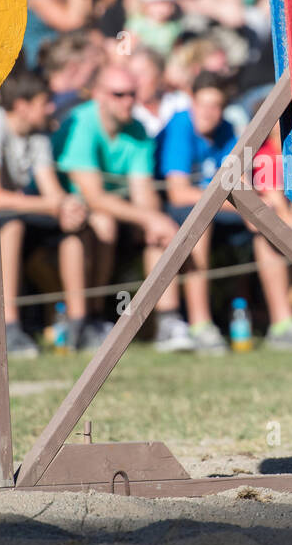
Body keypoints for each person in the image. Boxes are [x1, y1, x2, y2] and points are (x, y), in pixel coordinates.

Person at [158, 70, 292, 352]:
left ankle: (281, 324)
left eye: (216, 106)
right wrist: (241, 205)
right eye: (203, 105)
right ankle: (200, 325)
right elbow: (178, 192)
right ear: (191, 102)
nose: (209, 113)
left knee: (262, 223)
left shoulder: (227, 130)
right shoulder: (179, 125)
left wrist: (254, 210)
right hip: (182, 213)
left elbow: (241, 183)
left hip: (221, 209)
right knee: (201, 221)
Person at [0, 70, 94, 355]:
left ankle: (78, 324)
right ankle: (8, 327)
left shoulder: (37, 134)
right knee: (10, 225)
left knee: (73, 226)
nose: (51, 109)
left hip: (9, 209)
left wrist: (69, 206)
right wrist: (54, 205)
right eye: (44, 102)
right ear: (23, 105)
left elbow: (52, 191)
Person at [54, 63, 191, 351]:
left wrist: (152, 220)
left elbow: (143, 192)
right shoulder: (80, 123)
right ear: (98, 95)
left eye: (132, 94)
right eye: (119, 94)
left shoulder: (138, 130)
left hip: (114, 211)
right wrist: (149, 218)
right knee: (106, 222)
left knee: (159, 231)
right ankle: (85, 320)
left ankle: (168, 321)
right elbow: (92, 196)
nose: (129, 101)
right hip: (61, 213)